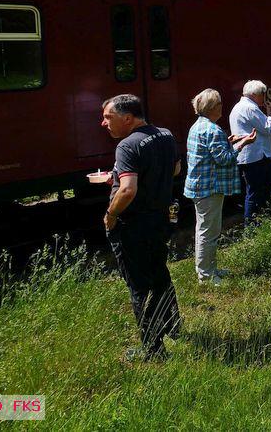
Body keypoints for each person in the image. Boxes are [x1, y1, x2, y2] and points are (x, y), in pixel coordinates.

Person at [100, 94, 182, 361]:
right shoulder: (165, 135)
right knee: (159, 273)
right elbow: (175, 169)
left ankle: (153, 349)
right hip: (160, 220)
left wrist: (111, 214)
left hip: (134, 225)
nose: (103, 123)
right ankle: (172, 325)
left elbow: (127, 189)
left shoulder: (127, 146)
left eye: (108, 117)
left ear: (127, 118)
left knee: (139, 286)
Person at [184, 88, 256, 285]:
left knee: (204, 230)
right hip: (209, 187)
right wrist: (243, 144)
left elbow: (209, 152)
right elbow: (224, 159)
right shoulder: (213, 130)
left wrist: (228, 141)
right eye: (219, 103)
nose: (222, 106)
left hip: (200, 185)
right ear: (212, 107)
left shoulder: (198, 126)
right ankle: (206, 276)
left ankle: (208, 269)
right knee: (209, 232)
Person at [230, 80, 271, 224]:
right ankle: (251, 225)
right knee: (255, 192)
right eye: (262, 94)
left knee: (252, 191)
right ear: (254, 94)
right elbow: (268, 128)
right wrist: (269, 113)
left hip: (245, 156)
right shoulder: (250, 108)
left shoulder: (237, 107)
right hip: (255, 156)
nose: (264, 97)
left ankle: (254, 223)